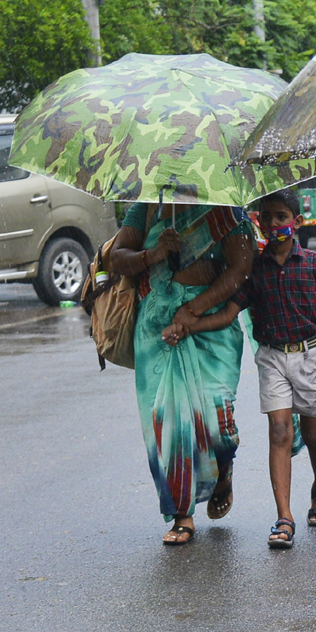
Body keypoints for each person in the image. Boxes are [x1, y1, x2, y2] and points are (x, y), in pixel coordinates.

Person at [173, 189, 316, 549]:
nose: (274, 224)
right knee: (278, 431)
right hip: (272, 358)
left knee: (314, 433)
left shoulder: (315, 265)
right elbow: (229, 314)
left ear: (297, 222)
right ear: (257, 221)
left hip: (309, 357)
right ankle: (284, 517)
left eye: (281, 218)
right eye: (267, 217)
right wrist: (191, 324)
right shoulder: (254, 270)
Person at [111, 194, 253, 546]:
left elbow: (242, 268)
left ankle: (223, 470)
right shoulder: (146, 209)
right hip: (156, 328)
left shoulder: (223, 208)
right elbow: (117, 258)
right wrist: (153, 255)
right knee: (166, 422)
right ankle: (181, 513)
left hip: (209, 324)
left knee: (219, 423)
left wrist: (195, 309)